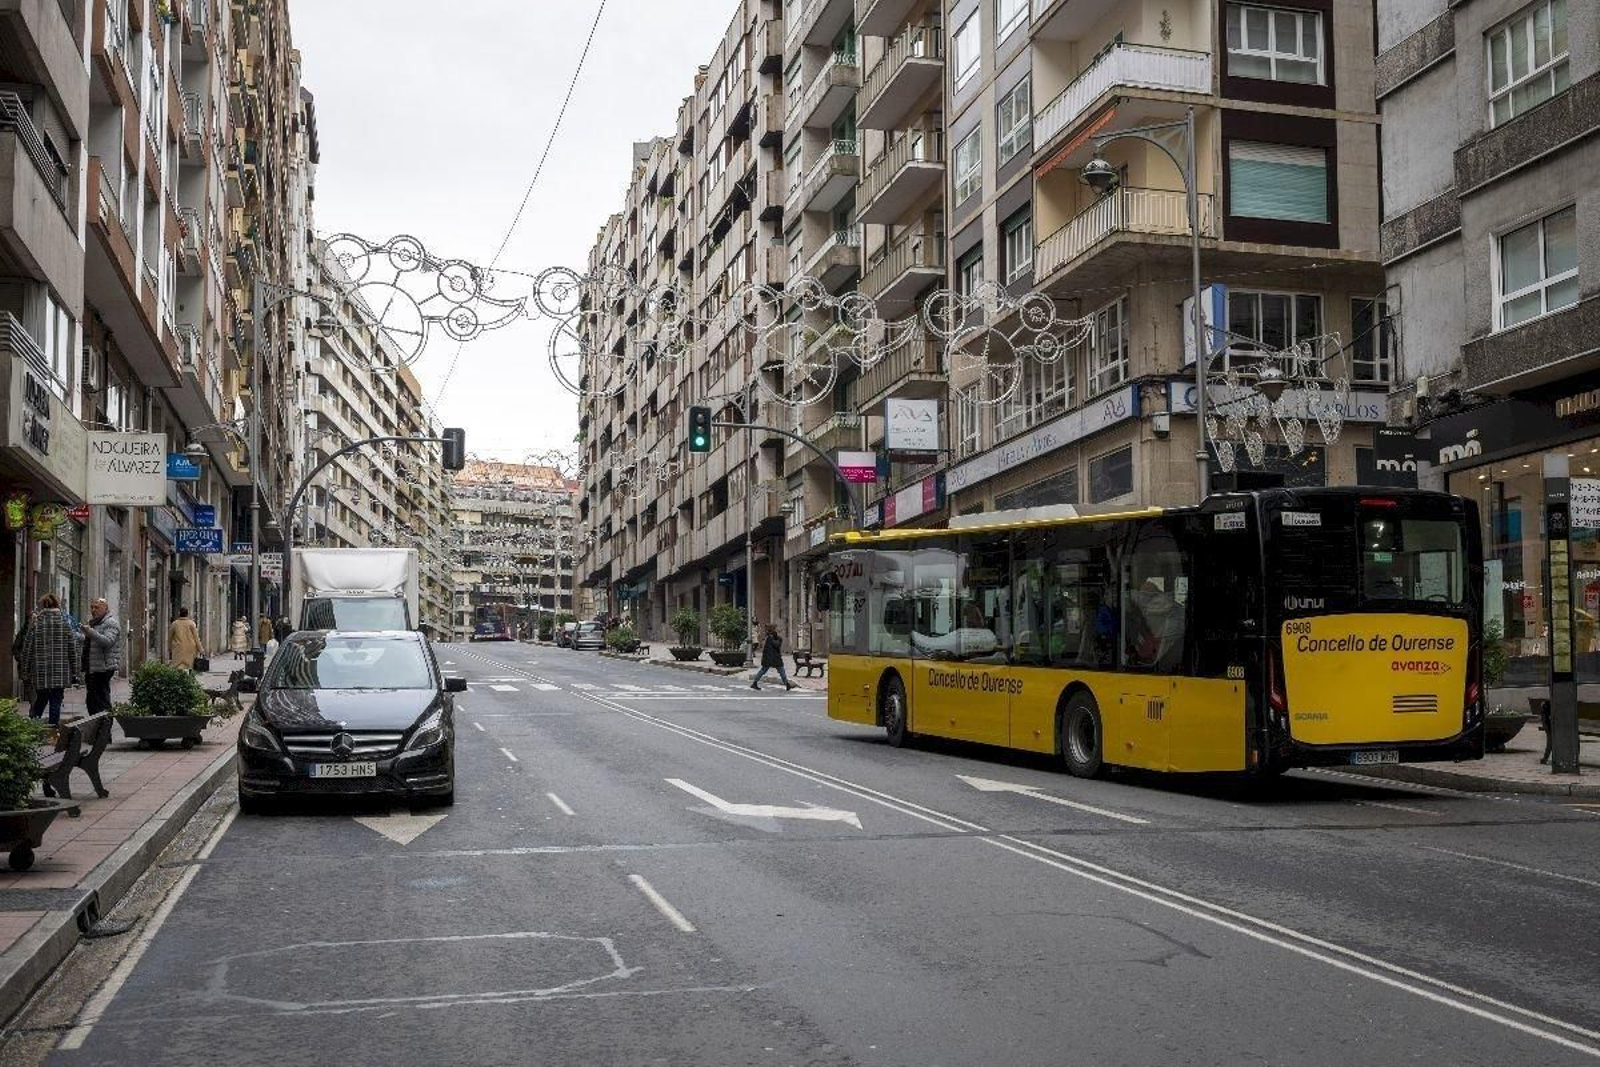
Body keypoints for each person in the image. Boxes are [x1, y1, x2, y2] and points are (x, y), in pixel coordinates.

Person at [20, 595, 74, 726]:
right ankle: (53, 731)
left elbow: (27, 649)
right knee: (56, 700)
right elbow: (72, 649)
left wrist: (24, 670)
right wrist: (75, 672)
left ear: (43, 606)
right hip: (60, 671)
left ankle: (33, 726)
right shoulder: (64, 623)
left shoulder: (36, 624)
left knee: (41, 699)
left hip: (40, 671)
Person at [81, 598, 122, 716]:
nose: (93, 610)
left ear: (106, 609)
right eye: (92, 607)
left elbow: (108, 641)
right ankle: (96, 728)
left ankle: (105, 728)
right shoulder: (95, 623)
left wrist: (90, 632)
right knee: (92, 700)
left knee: (101, 701)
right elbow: (92, 641)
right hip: (93, 667)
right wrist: (80, 635)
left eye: (97, 607)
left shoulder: (110, 623)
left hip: (103, 668)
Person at [750, 624, 796, 692]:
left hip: (772, 658)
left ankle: (787, 684)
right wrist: (778, 638)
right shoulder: (770, 638)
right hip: (772, 658)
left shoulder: (770, 638)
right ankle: (754, 683)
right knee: (768, 670)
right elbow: (776, 645)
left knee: (779, 671)